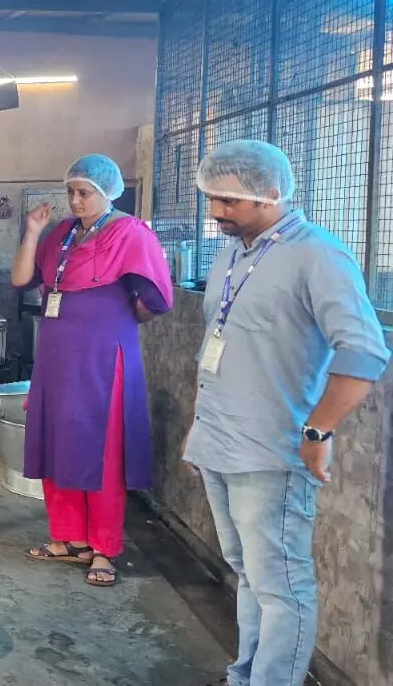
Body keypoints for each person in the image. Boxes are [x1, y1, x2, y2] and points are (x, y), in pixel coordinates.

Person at [183, 140, 388, 686]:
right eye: (211, 198)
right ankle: (245, 674)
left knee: (281, 586)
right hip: (220, 442)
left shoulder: (318, 254)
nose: (215, 213)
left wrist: (318, 429)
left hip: (272, 451)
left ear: (270, 194)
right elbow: (218, 344)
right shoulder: (232, 252)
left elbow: (363, 351)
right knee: (247, 573)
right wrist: (198, 432)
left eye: (228, 201)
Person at [11, 154, 173, 587]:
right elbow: (22, 278)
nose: (76, 201)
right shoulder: (62, 234)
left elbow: (155, 300)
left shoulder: (130, 232)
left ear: (107, 193)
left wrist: (115, 322)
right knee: (58, 440)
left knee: (102, 449)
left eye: (85, 193)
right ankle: (66, 538)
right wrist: (31, 231)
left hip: (103, 354)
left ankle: (103, 548)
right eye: (71, 192)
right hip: (57, 353)